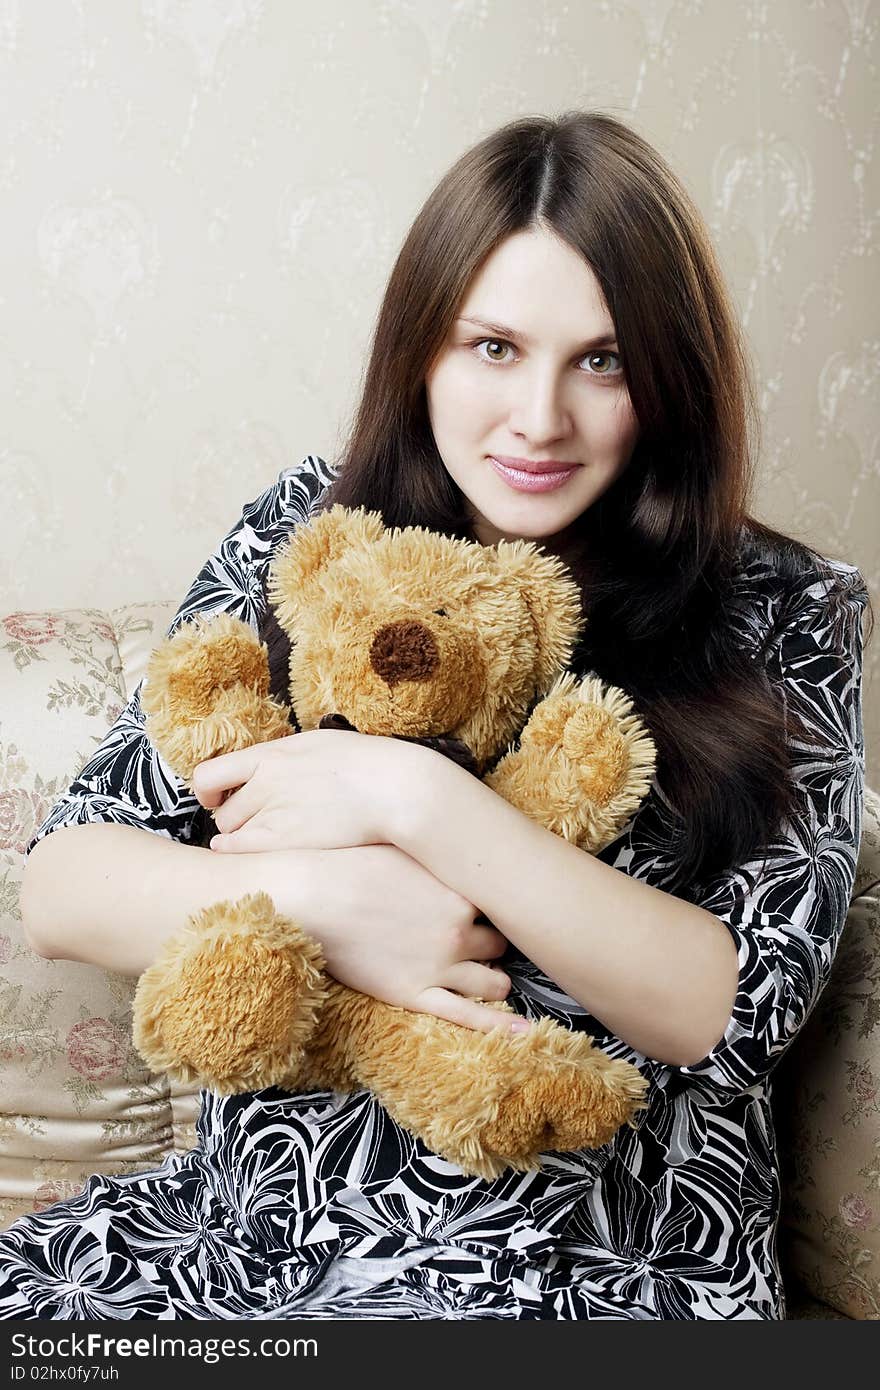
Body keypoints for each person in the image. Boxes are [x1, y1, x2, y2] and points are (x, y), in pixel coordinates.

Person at [1, 110, 870, 1321]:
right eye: (495, 348)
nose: (539, 420)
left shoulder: (788, 606)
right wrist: (328, 906)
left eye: (603, 361)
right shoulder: (308, 535)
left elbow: (729, 1009)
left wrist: (411, 796)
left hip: (591, 1271)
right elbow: (64, 885)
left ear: (669, 379)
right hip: (258, 1249)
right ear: (422, 350)